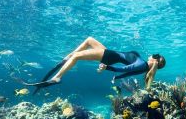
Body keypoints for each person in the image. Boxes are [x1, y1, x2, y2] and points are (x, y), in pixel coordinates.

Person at [26, 37, 166, 93]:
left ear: (155, 61)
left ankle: (57, 77)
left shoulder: (142, 64)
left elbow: (125, 68)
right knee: (89, 40)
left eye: (155, 56)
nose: (152, 55)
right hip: (109, 54)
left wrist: (107, 68)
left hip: (109, 57)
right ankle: (64, 61)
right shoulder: (143, 65)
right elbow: (128, 72)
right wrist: (116, 77)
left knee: (76, 56)